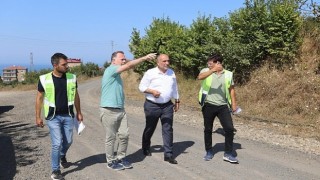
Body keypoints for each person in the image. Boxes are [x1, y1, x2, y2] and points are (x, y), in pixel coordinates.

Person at [100, 51, 156, 171]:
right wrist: (145, 58)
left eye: (125, 59)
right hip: (109, 110)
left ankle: (121, 158)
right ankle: (110, 161)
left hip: (120, 109)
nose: (124, 61)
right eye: (122, 59)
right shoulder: (110, 70)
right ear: (113, 60)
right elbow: (130, 65)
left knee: (124, 135)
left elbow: (128, 65)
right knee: (111, 137)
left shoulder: (117, 74)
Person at [35, 53, 83, 180]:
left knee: (68, 141)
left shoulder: (72, 77)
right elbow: (39, 98)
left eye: (67, 63)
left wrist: (79, 112)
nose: (67, 66)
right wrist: (38, 117)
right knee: (57, 143)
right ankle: (55, 170)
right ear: (55, 65)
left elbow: (76, 96)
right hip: (53, 117)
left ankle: (62, 155)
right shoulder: (44, 79)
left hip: (68, 115)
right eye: (64, 64)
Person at [139, 54, 180, 164]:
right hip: (152, 105)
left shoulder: (171, 73)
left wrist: (177, 100)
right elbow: (141, 87)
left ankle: (168, 154)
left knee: (168, 128)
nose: (167, 63)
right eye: (164, 61)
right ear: (158, 62)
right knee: (150, 127)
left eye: (168, 61)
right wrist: (152, 91)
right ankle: (146, 146)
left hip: (167, 105)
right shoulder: (150, 73)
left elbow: (174, 87)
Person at [197, 53, 239, 163]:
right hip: (208, 105)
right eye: (208, 63)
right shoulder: (205, 71)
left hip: (223, 106)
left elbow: (232, 90)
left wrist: (234, 104)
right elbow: (199, 77)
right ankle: (209, 151)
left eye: (211, 63)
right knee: (208, 129)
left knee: (229, 129)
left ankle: (228, 153)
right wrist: (212, 70)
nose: (208, 65)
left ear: (218, 63)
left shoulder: (228, 74)